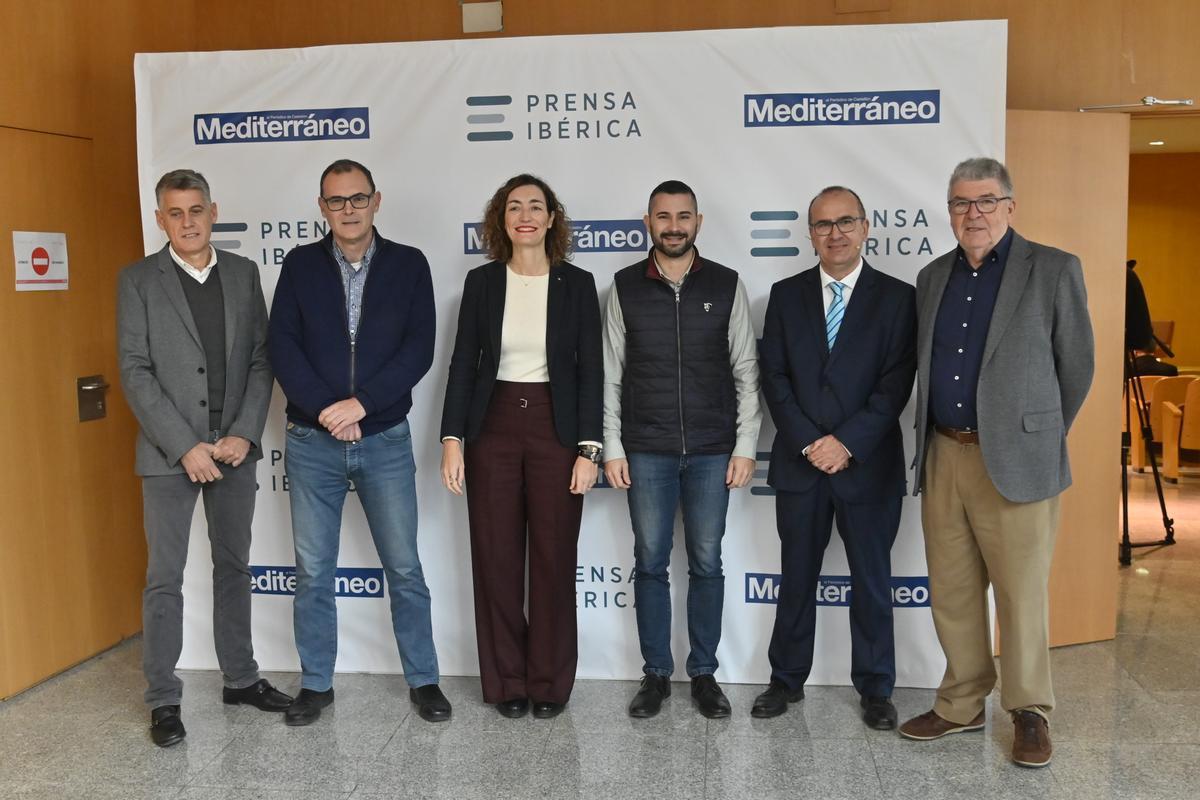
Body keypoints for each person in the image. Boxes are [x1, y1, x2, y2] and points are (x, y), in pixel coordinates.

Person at [898, 157, 1094, 768]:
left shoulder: (1054, 269)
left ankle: (1029, 710)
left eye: (985, 201)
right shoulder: (932, 277)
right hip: (943, 454)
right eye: (961, 203)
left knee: (1020, 593)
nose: (973, 213)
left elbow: (1077, 367)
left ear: (1011, 206)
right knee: (952, 590)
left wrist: (1033, 433)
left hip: (1017, 460)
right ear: (950, 211)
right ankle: (961, 703)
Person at [269, 158, 451, 725]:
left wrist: (363, 404)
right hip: (312, 438)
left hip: (384, 438)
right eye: (336, 201)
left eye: (357, 198)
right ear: (321, 208)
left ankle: (423, 680)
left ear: (377, 200)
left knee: (403, 566)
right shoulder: (298, 266)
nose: (348, 209)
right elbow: (282, 347)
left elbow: (418, 348)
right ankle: (316, 685)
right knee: (314, 570)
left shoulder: (409, 264)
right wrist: (329, 410)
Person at [118, 169, 291, 747]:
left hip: (233, 450)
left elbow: (262, 361)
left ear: (213, 211)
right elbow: (135, 370)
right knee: (163, 578)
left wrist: (243, 433)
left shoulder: (244, 274)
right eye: (175, 212)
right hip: (170, 454)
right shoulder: (138, 280)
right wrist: (184, 445)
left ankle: (240, 680)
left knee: (234, 568)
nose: (187, 221)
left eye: (196, 210)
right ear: (159, 218)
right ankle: (164, 700)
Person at [440, 174, 603, 719]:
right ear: (501, 219)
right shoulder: (482, 283)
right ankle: (508, 682)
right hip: (494, 429)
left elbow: (592, 371)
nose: (525, 215)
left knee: (555, 562)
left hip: (558, 432)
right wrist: (452, 439)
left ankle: (549, 685)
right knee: (496, 560)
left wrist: (589, 449)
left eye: (537, 206)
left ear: (552, 219)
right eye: (515, 206)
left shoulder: (577, 285)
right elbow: (464, 365)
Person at [755, 186, 916, 729]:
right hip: (801, 465)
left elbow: (896, 383)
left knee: (871, 580)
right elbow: (773, 378)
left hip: (867, 466)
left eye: (846, 221)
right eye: (823, 225)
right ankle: (785, 681)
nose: (835, 233)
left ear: (866, 226)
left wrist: (846, 443)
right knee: (795, 577)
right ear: (810, 234)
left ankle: (876, 688)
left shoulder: (898, 297)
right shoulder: (784, 294)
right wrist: (809, 442)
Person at [602, 180, 761, 719]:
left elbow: (745, 370)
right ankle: (655, 674)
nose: (674, 225)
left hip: (715, 449)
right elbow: (610, 377)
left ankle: (704, 673)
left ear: (698, 221)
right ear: (648, 221)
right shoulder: (623, 287)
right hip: (645, 448)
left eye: (683, 216)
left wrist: (745, 446)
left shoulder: (727, 283)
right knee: (649, 562)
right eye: (663, 216)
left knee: (706, 562)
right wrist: (612, 447)